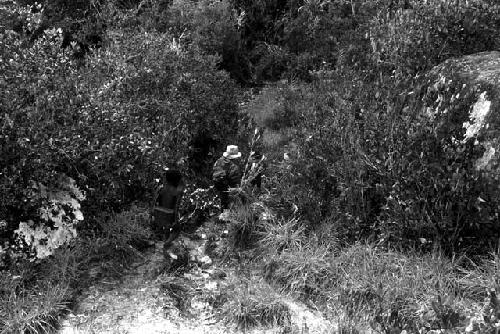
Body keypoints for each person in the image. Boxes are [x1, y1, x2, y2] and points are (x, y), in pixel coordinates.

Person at [153, 169, 185, 248]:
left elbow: (154, 201)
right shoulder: (177, 191)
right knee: (177, 230)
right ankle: (167, 242)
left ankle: (166, 243)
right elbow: (176, 207)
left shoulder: (160, 188)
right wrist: (176, 220)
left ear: (166, 179)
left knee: (166, 228)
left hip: (159, 214)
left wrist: (152, 214)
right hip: (170, 215)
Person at [212, 145, 242, 210]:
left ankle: (222, 216)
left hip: (218, 189)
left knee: (223, 205)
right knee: (229, 207)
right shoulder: (233, 166)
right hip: (229, 190)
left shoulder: (218, 161)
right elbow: (234, 181)